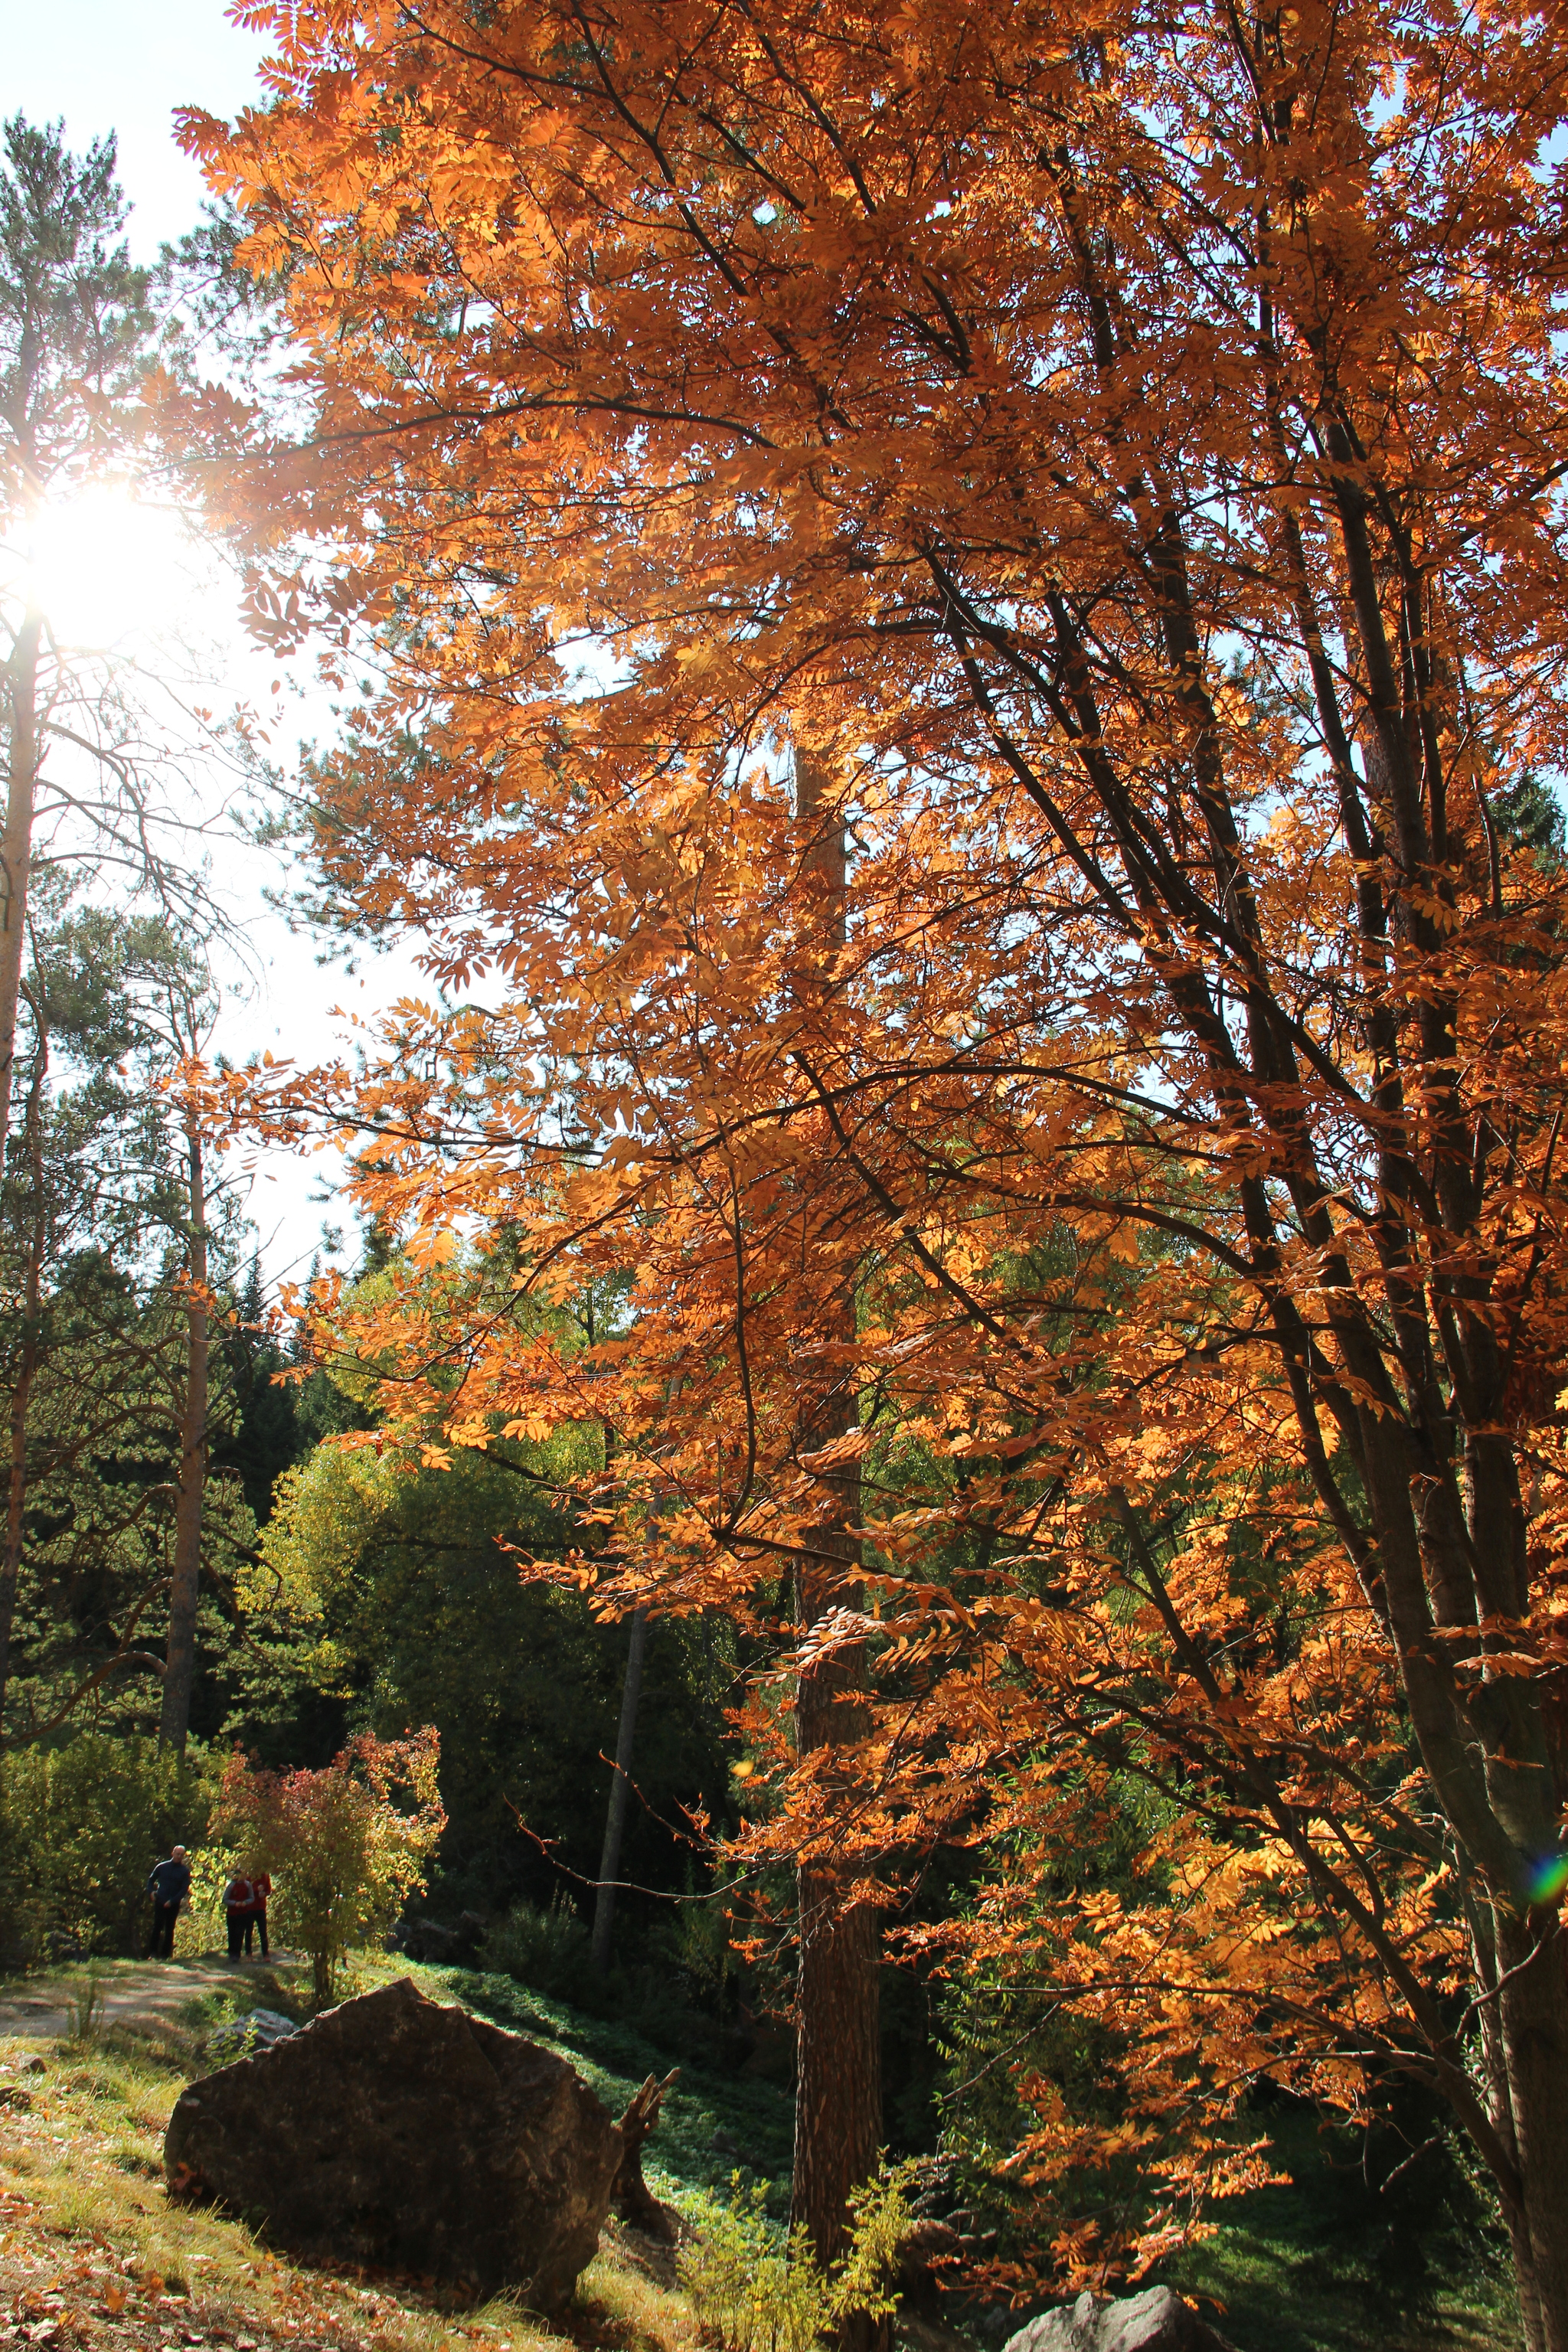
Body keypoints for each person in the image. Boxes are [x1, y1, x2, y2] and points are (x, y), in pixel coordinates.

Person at [146, 1846, 191, 1959]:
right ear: (173, 1853)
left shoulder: (184, 1871)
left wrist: (172, 1901)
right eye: (177, 1854)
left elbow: (184, 1889)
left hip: (173, 1903)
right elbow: (151, 1880)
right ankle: (153, 1953)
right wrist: (151, 1892)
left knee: (169, 1928)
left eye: (181, 1855)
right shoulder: (162, 1867)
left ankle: (165, 1955)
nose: (179, 1856)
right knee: (157, 1927)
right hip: (160, 1900)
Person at [224, 1867, 255, 1961]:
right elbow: (225, 1899)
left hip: (243, 1913)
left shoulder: (248, 1885)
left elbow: (252, 1898)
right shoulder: (231, 1886)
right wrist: (235, 1903)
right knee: (232, 1933)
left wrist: (245, 1902)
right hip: (232, 1913)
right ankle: (231, 1952)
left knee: (240, 1933)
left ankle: (237, 1954)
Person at [243, 1867, 272, 1958]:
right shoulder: (249, 1876)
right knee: (249, 1931)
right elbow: (246, 1890)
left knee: (263, 1931)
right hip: (250, 1908)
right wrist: (256, 1889)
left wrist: (265, 1893)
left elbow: (269, 1889)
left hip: (261, 1908)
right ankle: (248, 1953)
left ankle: (265, 1954)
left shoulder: (266, 1875)